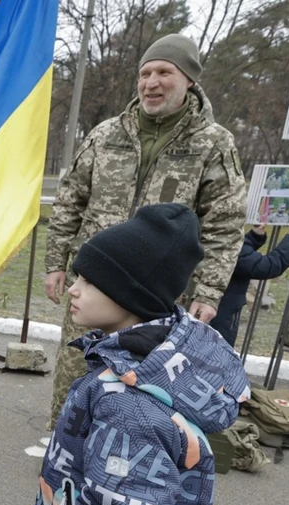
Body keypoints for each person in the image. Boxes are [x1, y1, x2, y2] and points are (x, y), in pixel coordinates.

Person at [26, 203, 250, 505]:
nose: (73, 289)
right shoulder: (146, 359)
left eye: (88, 281)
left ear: (129, 296)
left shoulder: (130, 406)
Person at [44, 33, 246, 429]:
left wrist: (209, 291)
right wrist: (55, 262)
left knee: (143, 377)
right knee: (77, 365)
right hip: (96, 281)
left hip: (153, 293)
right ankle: (64, 440)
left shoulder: (213, 144)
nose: (151, 83)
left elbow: (224, 223)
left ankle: (125, 452)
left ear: (189, 79)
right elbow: (70, 200)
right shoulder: (106, 135)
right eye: (145, 73)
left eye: (164, 72)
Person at [210, 225, 289, 346]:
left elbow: (240, 253)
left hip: (220, 305)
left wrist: (253, 237)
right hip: (219, 309)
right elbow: (265, 266)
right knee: (217, 352)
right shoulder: (222, 237)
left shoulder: (215, 230)